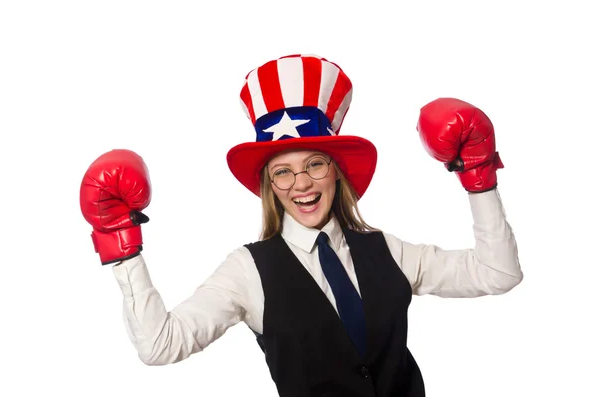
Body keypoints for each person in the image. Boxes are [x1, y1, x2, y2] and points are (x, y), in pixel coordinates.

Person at [79, 54, 523, 397]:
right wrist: (122, 243)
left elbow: (498, 273)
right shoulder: (246, 271)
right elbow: (160, 346)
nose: (302, 183)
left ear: (336, 172)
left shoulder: (388, 250)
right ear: (270, 186)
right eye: (283, 172)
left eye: (314, 164)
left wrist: (477, 175)